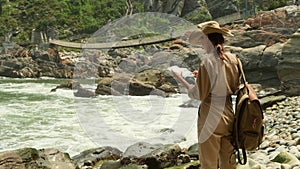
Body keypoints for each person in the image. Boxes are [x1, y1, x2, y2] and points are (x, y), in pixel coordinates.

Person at [188, 21, 241, 169]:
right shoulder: (233, 59)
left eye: (201, 40)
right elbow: (234, 86)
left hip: (210, 118)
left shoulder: (207, 61)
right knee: (229, 161)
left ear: (207, 39)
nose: (201, 44)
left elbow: (199, 94)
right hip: (229, 115)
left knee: (209, 163)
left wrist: (185, 83)